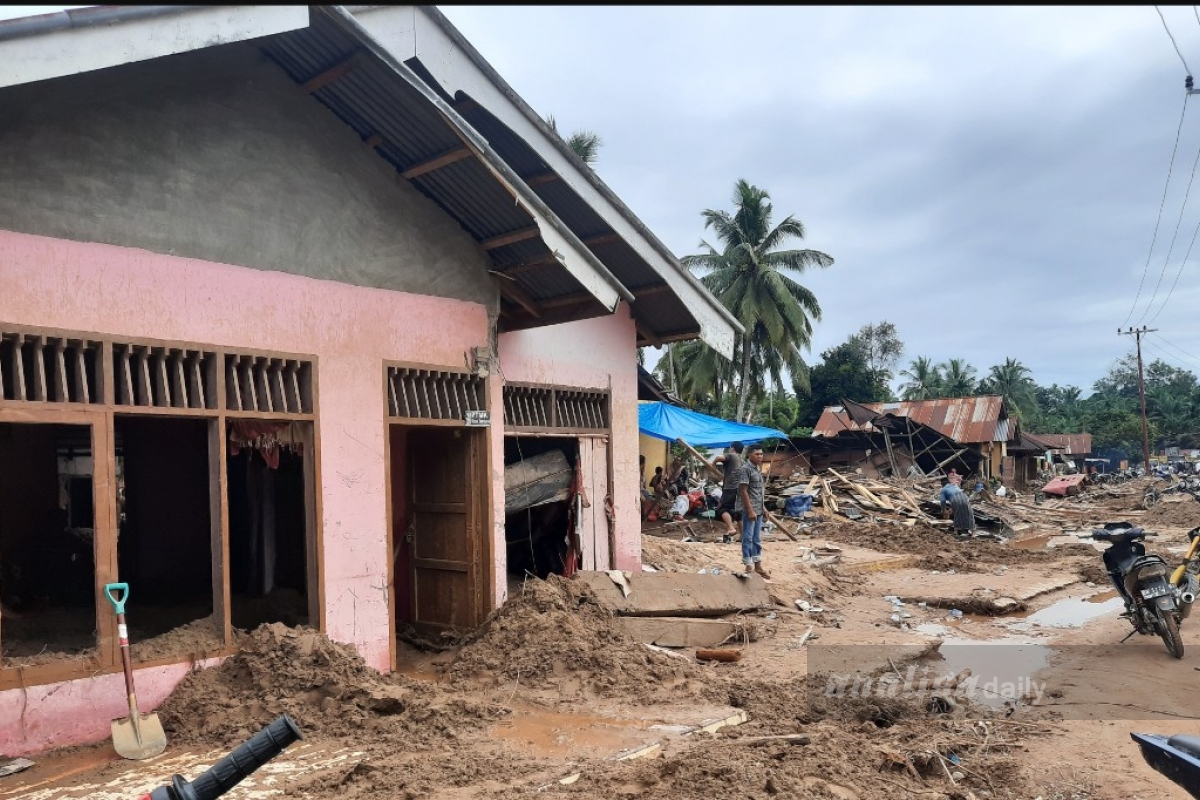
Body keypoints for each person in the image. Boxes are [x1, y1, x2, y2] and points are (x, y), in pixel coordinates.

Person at [735, 445, 771, 580]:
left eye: (761, 454)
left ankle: (758, 565)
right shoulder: (745, 469)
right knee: (747, 537)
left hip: (759, 510)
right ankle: (748, 564)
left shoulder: (757, 469)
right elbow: (743, 491)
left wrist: (764, 509)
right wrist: (750, 510)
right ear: (749, 455)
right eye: (757, 454)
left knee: (757, 539)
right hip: (750, 510)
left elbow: (758, 493)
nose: (760, 456)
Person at [713, 441, 745, 543]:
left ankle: (731, 528)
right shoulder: (742, 460)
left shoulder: (731, 455)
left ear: (732, 448)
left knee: (722, 509)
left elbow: (719, 457)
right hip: (740, 488)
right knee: (737, 513)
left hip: (730, 487)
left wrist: (713, 464)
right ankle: (742, 536)